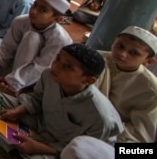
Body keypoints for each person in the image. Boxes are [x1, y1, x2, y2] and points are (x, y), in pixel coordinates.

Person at [0, 44, 123, 158]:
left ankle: (21, 148)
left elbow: (83, 151)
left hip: (61, 146)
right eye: (58, 59)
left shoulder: (101, 117)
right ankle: (21, 147)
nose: (56, 66)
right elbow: (36, 99)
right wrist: (16, 111)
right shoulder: (49, 75)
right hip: (41, 122)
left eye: (68, 67)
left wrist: (42, 148)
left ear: (88, 80)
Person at [61, 27, 157, 158]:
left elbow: (141, 136)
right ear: (113, 42)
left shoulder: (151, 90)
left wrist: (101, 130)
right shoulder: (98, 59)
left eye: (133, 53)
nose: (122, 53)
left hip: (119, 140)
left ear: (148, 61)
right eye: (120, 46)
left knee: (82, 148)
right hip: (83, 122)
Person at [0, 0, 72, 96]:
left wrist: (11, 82)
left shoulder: (59, 39)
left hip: (35, 77)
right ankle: (3, 82)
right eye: (35, 5)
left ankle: (15, 87)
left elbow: (40, 68)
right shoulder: (20, 21)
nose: (34, 11)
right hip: (16, 64)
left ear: (57, 19)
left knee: (32, 37)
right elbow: (7, 49)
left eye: (43, 10)